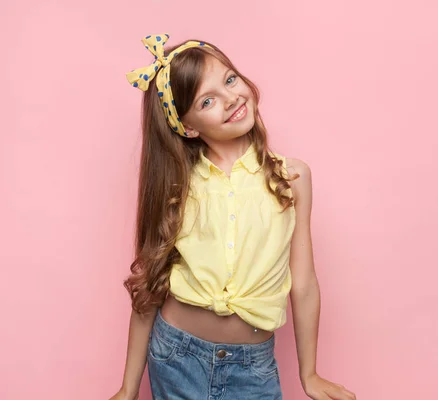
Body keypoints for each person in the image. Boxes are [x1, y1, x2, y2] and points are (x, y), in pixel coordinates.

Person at [109, 33, 357, 400]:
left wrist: (310, 374)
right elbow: (152, 283)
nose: (230, 99)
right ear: (187, 126)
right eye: (207, 100)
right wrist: (127, 389)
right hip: (176, 357)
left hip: (252, 368)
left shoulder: (293, 179)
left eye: (229, 79)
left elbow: (302, 284)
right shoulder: (177, 186)